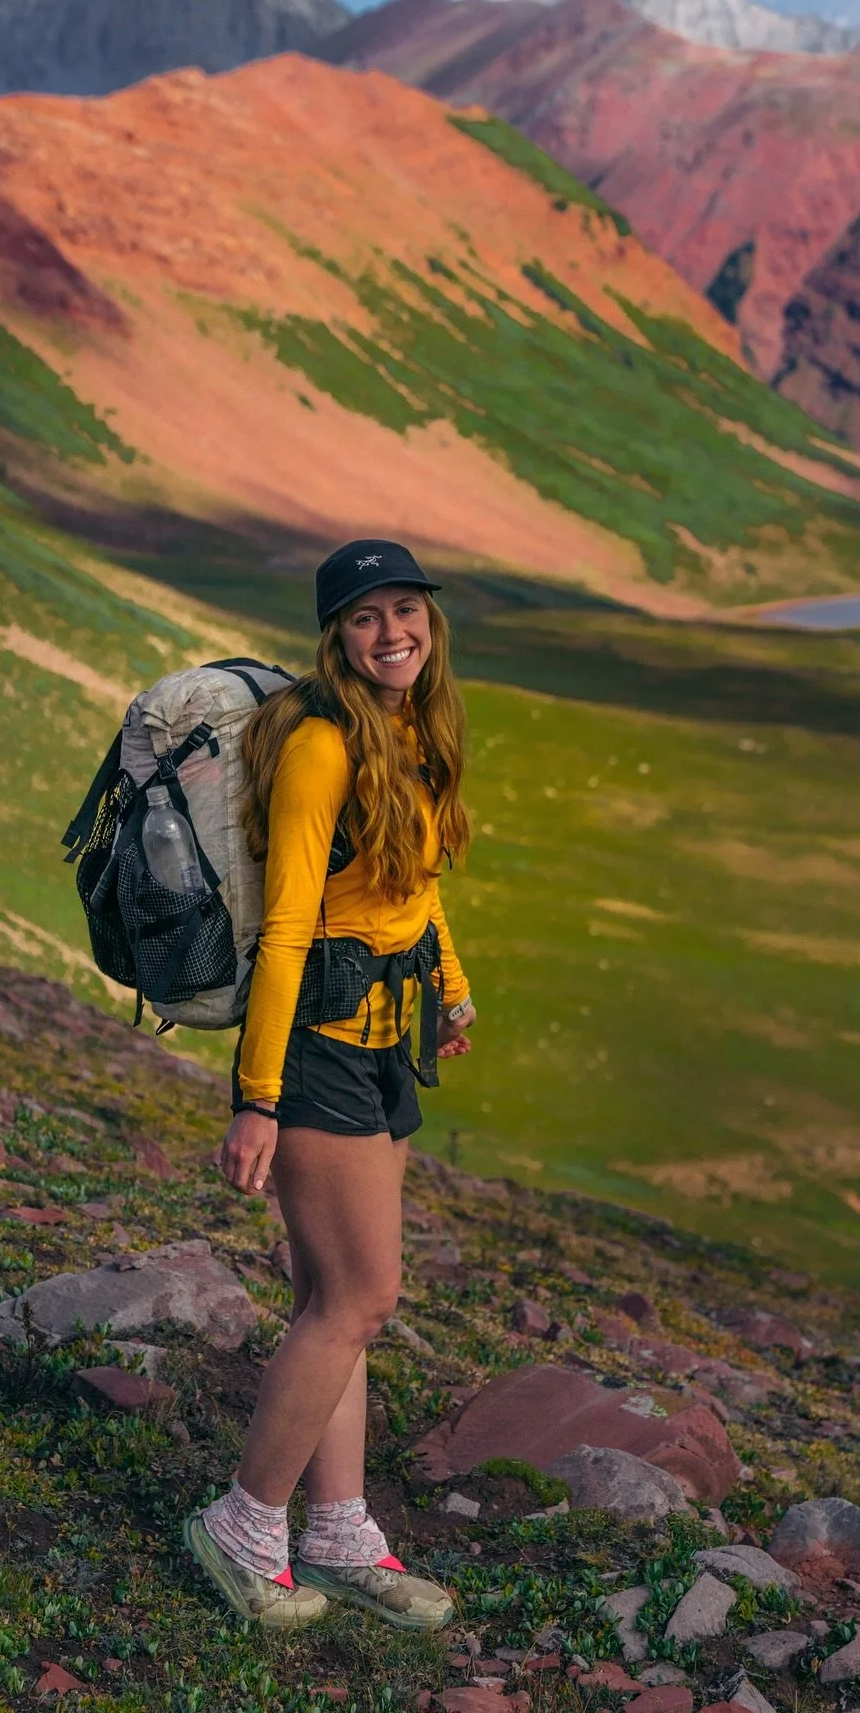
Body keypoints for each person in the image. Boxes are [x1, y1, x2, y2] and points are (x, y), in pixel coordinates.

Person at [183, 538, 476, 1629]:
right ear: (335, 636)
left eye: (408, 608)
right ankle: (243, 1525)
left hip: (388, 1038)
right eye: (366, 617)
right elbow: (290, 925)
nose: (393, 630)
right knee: (362, 1300)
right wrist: (256, 1096)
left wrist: (447, 984)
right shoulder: (318, 748)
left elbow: (417, 886)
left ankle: (339, 1528)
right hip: (316, 1051)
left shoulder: (414, 727)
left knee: (332, 1302)